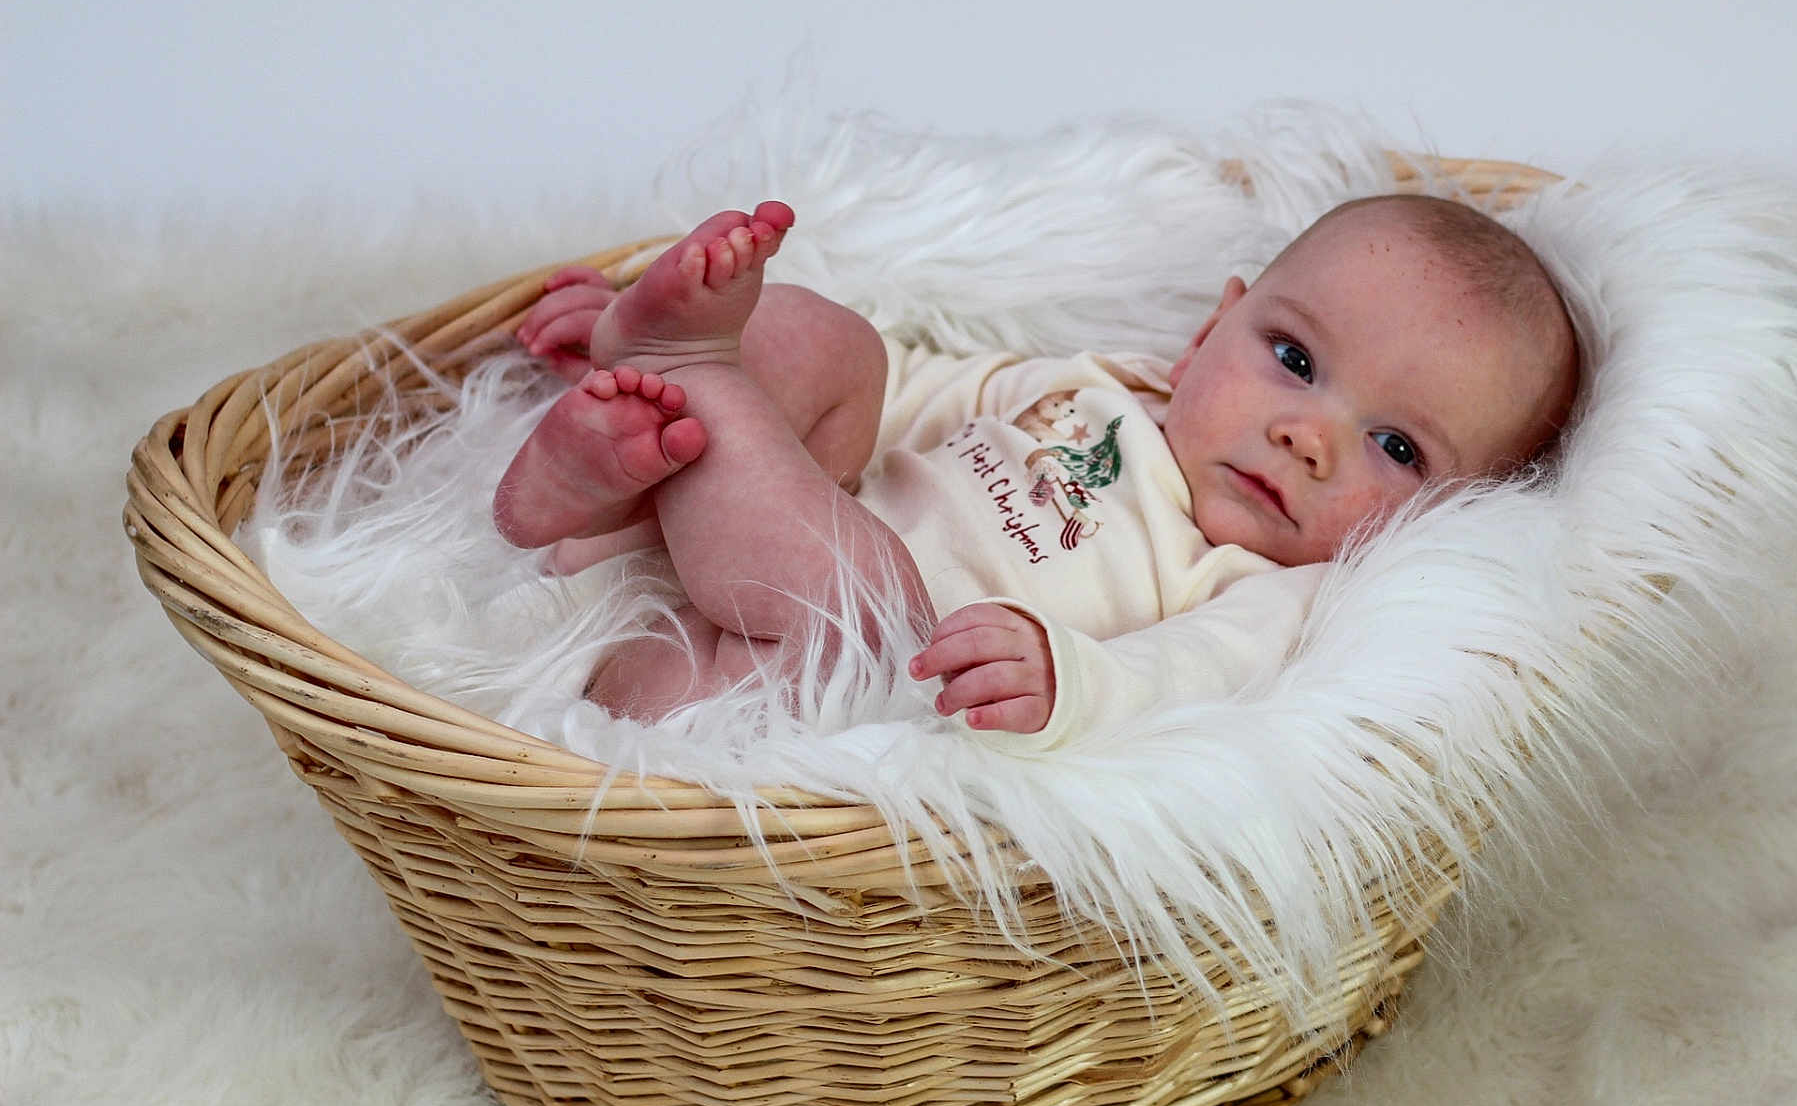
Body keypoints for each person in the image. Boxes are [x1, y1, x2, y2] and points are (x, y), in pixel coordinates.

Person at [492, 193, 1580, 748]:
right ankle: (631, 433)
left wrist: (1071, 679)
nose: (1310, 435)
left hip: (800, 680)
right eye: (1293, 360)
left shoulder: (1267, 590)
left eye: (1397, 447)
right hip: (732, 538)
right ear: (1210, 332)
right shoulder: (1099, 383)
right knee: (841, 351)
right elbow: (907, 398)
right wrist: (775, 367)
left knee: (869, 612)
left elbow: (1191, 677)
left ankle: (665, 400)